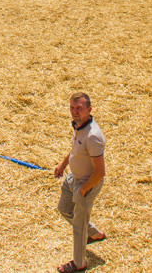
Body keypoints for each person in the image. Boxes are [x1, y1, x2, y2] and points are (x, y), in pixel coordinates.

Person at [54, 92, 106, 273]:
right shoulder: (78, 126)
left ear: (89, 110)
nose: (75, 112)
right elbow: (75, 149)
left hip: (86, 184)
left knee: (78, 225)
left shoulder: (93, 136)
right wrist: (63, 164)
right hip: (72, 178)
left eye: (79, 108)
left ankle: (79, 263)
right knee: (64, 208)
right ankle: (94, 234)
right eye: (72, 108)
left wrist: (83, 189)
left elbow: (100, 172)